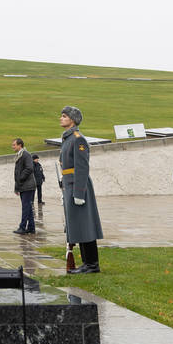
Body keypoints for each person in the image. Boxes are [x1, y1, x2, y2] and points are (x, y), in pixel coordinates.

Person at [59, 106, 102, 273]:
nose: (61, 118)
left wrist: (78, 192)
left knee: (85, 225)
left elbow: (82, 167)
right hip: (70, 184)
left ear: (73, 119)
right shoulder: (68, 138)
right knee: (78, 225)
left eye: (64, 116)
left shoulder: (78, 139)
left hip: (79, 186)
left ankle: (92, 264)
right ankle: (87, 263)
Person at [12, 138, 36, 235]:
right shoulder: (20, 155)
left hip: (28, 186)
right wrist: (16, 187)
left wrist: (21, 178)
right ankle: (31, 227)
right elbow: (17, 172)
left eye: (14, 145)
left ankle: (22, 227)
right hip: (23, 185)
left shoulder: (25, 155)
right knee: (28, 207)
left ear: (20, 145)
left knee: (26, 207)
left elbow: (29, 168)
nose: (12, 146)